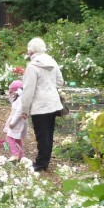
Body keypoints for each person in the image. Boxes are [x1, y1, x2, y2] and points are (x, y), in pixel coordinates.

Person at [20, 37, 64, 172]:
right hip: (53, 103)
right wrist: (49, 86)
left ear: (31, 50)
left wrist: (24, 109)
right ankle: (45, 160)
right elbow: (60, 81)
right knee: (49, 133)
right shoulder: (52, 61)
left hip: (40, 105)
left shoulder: (32, 66)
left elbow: (28, 90)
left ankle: (41, 163)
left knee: (41, 134)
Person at [4, 80, 27, 161]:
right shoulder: (17, 98)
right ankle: (21, 155)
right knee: (17, 139)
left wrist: (12, 123)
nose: (12, 93)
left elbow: (18, 113)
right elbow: (11, 100)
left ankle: (15, 154)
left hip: (17, 122)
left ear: (17, 91)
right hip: (17, 121)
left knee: (9, 137)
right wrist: (10, 91)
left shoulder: (20, 100)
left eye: (13, 91)